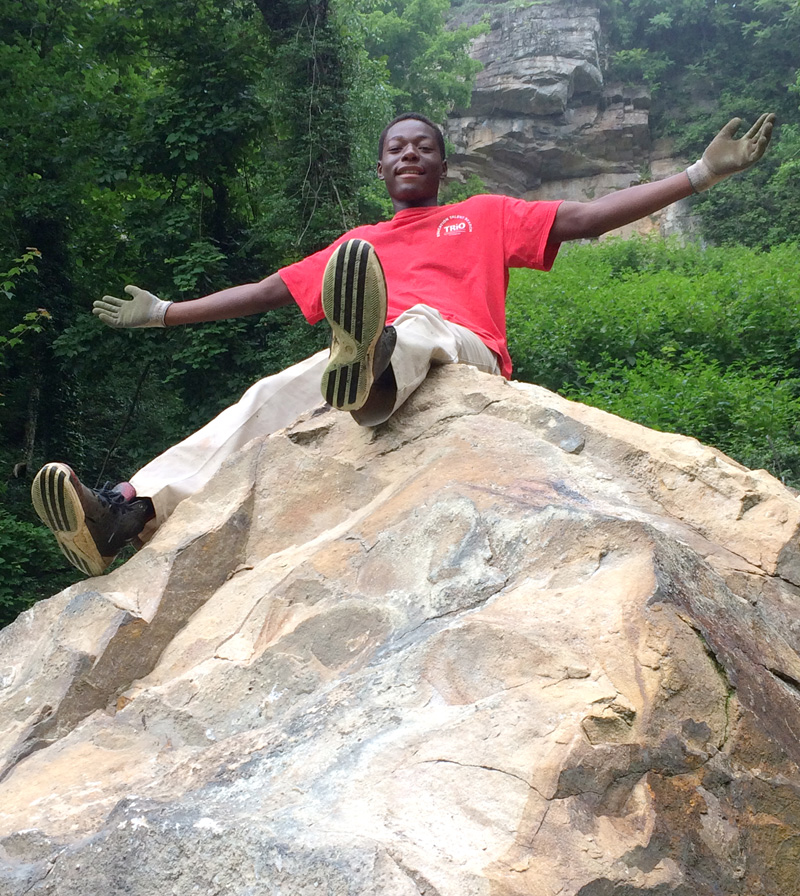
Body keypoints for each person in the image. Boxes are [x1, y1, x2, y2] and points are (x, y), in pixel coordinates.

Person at [32, 111, 776, 577]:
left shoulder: (483, 214)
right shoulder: (358, 241)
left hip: (464, 351)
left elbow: (585, 217)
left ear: (442, 166)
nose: (410, 155)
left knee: (416, 326)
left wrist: (699, 174)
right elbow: (265, 292)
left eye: (424, 147)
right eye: (397, 148)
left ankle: (372, 367)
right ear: (382, 168)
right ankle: (123, 512)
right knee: (263, 396)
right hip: (366, 350)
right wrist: (165, 312)